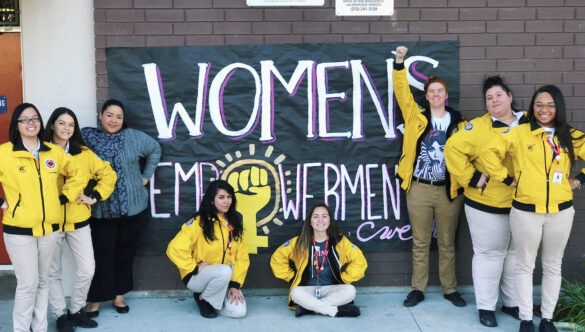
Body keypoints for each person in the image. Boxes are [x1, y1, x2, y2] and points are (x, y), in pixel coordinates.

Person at [479, 85, 585, 332]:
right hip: (526, 211)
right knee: (524, 265)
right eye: (539, 104)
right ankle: (526, 319)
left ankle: (546, 319)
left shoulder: (569, 135)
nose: (544, 109)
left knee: (552, 265)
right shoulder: (519, 133)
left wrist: (579, 179)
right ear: (532, 107)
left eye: (550, 104)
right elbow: (488, 153)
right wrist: (506, 179)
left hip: (561, 211)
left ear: (558, 107)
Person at [445, 76, 526, 327]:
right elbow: (452, 148)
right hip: (487, 205)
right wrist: (472, 177)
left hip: (524, 204)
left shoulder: (529, 123)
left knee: (515, 256)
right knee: (489, 255)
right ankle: (486, 307)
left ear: (510, 96)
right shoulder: (477, 127)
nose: (494, 100)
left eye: (498, 95)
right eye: (489, 98)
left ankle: (511, 303)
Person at [392, 46, 467, 308]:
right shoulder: (416, 116)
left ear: (446, 95)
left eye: (440, 91)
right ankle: (418, 289)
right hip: (419, 188)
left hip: (449, 190)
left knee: (447, 242)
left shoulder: (459, 122)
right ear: (426, 96)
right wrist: (399, 63)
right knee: (421, 242)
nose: (435, 95)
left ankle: (450, 289)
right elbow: (402, 93)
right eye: (431, 91)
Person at [0, 103, 83, 332]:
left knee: (44, 281)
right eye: (25, 119)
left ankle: (39, 328)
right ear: (17, 125)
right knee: (28, 284)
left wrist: (64, 197)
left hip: (49, 229)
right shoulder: (4, 153)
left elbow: (78, 173)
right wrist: (2, 202)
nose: (31, 123)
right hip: (19, 230)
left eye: (35, 118)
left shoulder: (53, 152)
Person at [81, 99, 161, 317]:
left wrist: (146, 176)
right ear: (100, 115)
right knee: (101, 255)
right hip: (100, 209)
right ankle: (95, 299)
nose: (113, 120)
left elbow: (155, 148)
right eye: (109, 115)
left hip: (132, 209)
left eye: (118, 116)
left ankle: (119, 295)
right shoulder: (87, 138)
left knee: (124, 254)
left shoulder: (133, 137)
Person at [43, 107, 117, 332]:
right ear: (53, 125)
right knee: (52, 272)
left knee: (87, 269)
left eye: (71, 124)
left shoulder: (83, 153)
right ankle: (60, 315)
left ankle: (76, 310)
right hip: (50, 222)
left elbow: (108, 173)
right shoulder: (42, 152)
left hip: (78, 221)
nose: (66, 128)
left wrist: (94, 196)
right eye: (62, 123)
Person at [167, 180, 249, 318]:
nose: (226, 201)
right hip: (198, 278)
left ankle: (210, 300)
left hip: (226, 279)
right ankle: (203, 298)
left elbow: (242, 257)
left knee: (239, 312)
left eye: (229, 197)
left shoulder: (234, 221)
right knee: (224, 271)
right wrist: (194, 267)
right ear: (212, 200)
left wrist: (234, 285)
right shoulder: (199, 222)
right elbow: (174, 248)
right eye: (221, 197)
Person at [270, 203, 367, 318]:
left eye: (324, 216)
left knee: (350, 291)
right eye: (315, 216)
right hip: (307, 289)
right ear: (310, 222)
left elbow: (359, 261)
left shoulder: (339, 241)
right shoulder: (299, 242)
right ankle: (334, 311)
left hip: (331, 288)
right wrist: (292, 277)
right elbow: (277, 258)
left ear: (330, 221)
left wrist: (344, 278)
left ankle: (309, 308)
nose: (320, 220)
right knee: (295, 293)